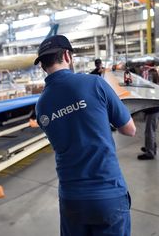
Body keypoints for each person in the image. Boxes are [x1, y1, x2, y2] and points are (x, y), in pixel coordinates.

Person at [34, 35, 136, 236]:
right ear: (67, 55)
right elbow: (129, 129)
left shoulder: (41, 105)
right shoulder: (94, 83)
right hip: (107, 192)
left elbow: (66, 135)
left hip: (71, 198)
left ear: (42, 66)